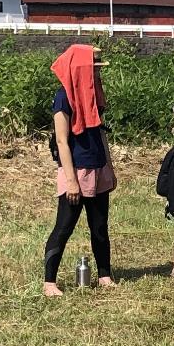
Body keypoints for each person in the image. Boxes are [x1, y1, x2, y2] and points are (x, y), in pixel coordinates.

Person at [42, 44, 117, 296]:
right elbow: (62, 141)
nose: (98, 74)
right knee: (64, 226)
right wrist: (71, 181)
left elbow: (101, 133)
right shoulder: (63, 96)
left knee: (100, 226)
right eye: (94, 69)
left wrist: (110, 167)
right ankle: (49, 282)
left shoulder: (94, 93)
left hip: (98, 168)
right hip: (75, 171)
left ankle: (104, 275)